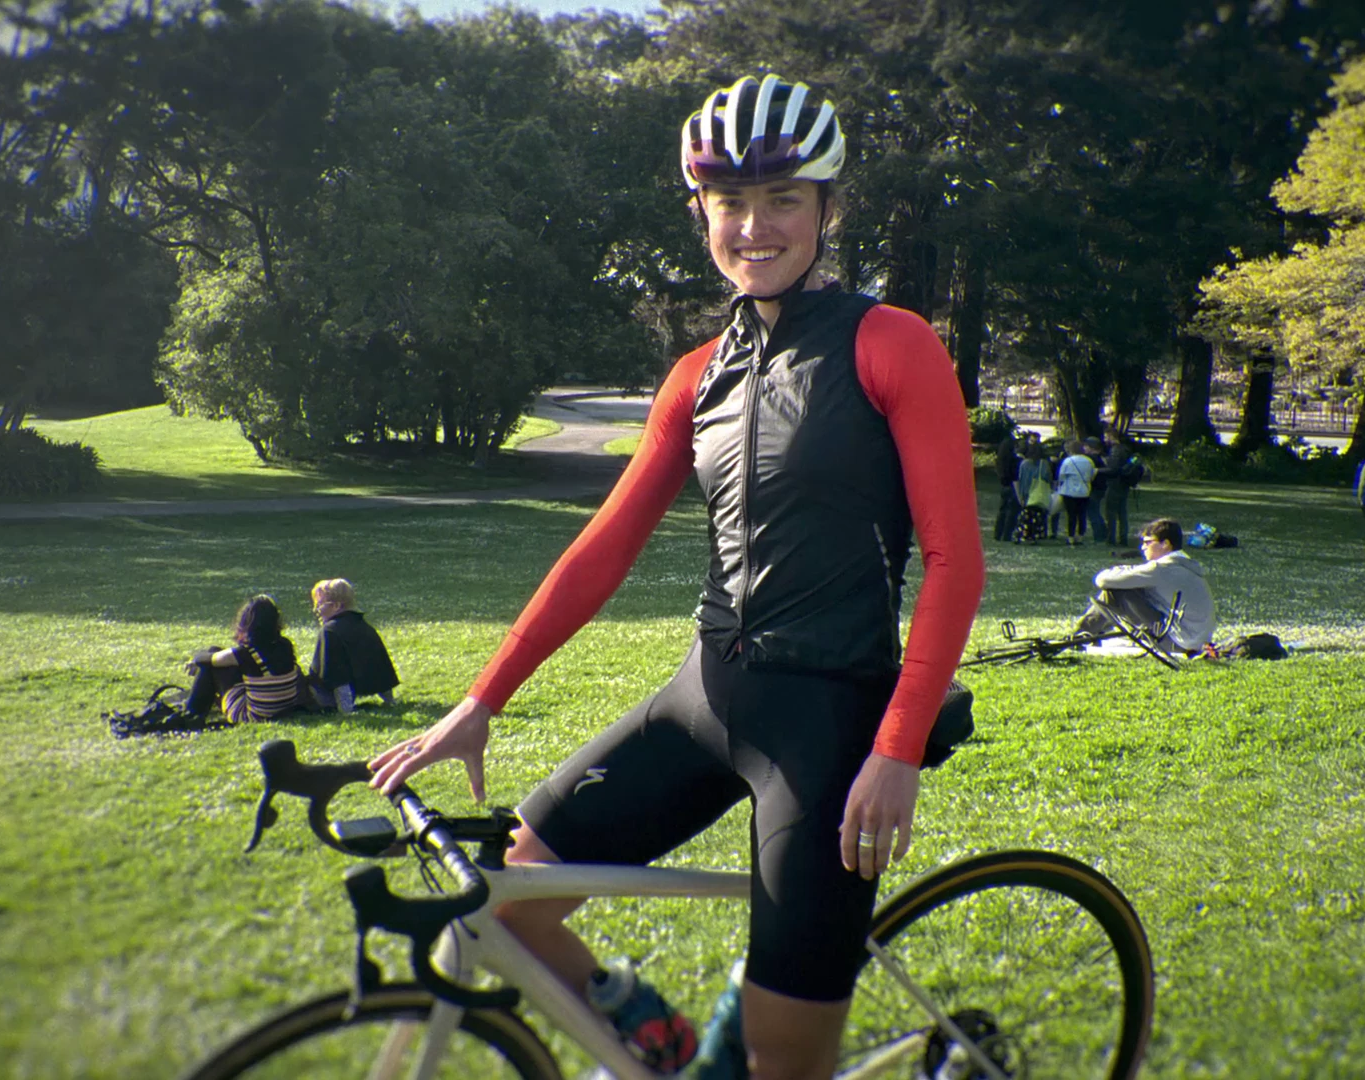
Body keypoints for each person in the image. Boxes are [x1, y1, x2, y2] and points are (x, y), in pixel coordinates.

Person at [367, 73, 984, 1080]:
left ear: (828, 209)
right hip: (703, 698)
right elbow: (604, 548)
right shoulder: (697, 375)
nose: (755, 226)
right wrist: (482, 700)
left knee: (785, 1066)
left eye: (783, 198)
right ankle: (654, 1036)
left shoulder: (890, 345)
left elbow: (956, 562)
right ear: (701, 211)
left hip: (829, 729)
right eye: (730, 201)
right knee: (504, 904)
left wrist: (897, 749)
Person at [1074, 518, 1216, 653]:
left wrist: (1121, 569)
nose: (1142, 547)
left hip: (1176, 642)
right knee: (1130, 587)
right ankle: (1087, 635)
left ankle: (1078, 638)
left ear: (1165, 544)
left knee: (1115, 591)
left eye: (1148, 542)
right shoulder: (1186, 565)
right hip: (1196, 641)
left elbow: (1102, 580)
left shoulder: (1161, 569)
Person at [182, 594, 306, 724]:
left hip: (254, 715)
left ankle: (192, 712)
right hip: (284, 708)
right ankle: (196, 709)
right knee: (217, 655)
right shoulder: (286, 645)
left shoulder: (247, 653)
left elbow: (208, 659)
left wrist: (195, 660)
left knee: (211, 662)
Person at [307, 578, 399, 711]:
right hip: (364, 686)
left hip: (333, 697)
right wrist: (389, 700)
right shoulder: (365, 626)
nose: (316, 609)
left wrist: (346, 709)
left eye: (319, 604)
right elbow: (380, 667)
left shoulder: (330, 631)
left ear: (336, 606)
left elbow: (335, 674)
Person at [1056, 438, 1096, 546]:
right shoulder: (1089, 461)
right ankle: (1080, 536)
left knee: (1071, 515)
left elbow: (1061, 476)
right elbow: (1092, 475)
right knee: (1082, 515)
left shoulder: (1068, 461)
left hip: (1069, 492)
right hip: (1084, 491)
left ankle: (1070, 537)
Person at [1099, 434, 1134, 548]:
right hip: (1125, 484)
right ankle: (1123, 538)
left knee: (1111, 513)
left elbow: (1113, 469)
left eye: (1106, 437)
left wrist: (1098, 470)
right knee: (1122, 513)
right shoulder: (1126, 449)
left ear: (1111, 437)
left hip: (1115, 484)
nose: (1105, 440)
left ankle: (1111, 538)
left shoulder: (1115, 450)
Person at [993, 426, 1021, 544]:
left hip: (1004, 484)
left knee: (1003, 510)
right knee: (1012, 511)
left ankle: (998, 533)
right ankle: (1007, 534)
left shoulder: (1001, 460)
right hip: (1012, 485)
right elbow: (1014, 475)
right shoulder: (1013, 460)